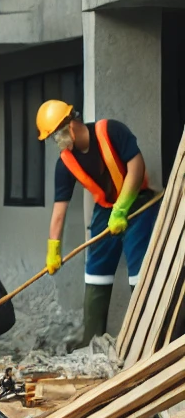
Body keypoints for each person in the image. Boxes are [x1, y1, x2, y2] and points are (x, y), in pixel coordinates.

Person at [37, 100, 157, 344]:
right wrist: (53, 249)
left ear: (69, 126)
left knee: (139, 270)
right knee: (95, 272)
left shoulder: (111, 131)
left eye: (54, 136)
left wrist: (122, 208)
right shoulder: (65, 163)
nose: (56, 143)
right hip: (105, 210)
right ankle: (92, 341)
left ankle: (147, 338)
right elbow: (59, 211)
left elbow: (136, 167)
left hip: (137, 202)